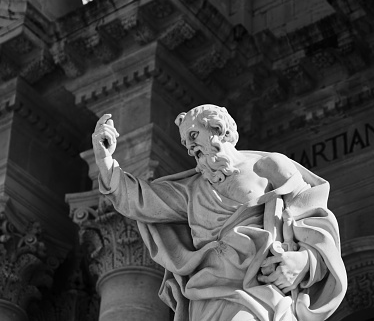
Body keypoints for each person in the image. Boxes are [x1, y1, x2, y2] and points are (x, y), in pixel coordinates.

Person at [92, 104, 347, 321]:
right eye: (185, 143)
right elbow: (141, 199)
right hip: (206, 295)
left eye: (193, 136)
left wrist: (305, 261)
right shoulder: (191, 190)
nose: (190, 148)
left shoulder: (269, 166)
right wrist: (106, 163)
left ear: (218, 129)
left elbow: (311, 216)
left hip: (259, 289)